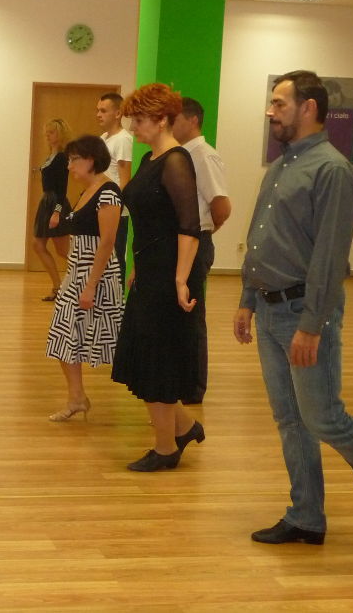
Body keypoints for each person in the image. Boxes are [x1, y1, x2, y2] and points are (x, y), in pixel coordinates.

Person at [234, 70, 353, 545]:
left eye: (279, 103)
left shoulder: (332, 170)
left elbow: (330, 258)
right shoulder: (281, 166)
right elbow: (260, 238)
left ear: (309, 108)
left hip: (305, 314)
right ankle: (306, 515)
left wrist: (311, 325)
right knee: (290, 419)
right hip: (269, 308)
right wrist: (247, 299)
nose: (270, 111)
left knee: (324, 418)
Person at [110, 83, 205, 472]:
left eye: (139, 120)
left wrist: (180, 279)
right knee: (146, 357)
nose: (133, 128)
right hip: (149, 270)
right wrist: (137, 265)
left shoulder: (177, 161)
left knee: (158, 361)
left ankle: (166, 449)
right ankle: (185, 427)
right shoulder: (151, 159)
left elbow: (189, 227)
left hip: (168, 274)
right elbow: (151, 222)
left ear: (162, 119)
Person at [46, 135, 123, 421]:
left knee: (118, 344)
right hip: (76, 274)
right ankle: (77, 397)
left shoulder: (108, 192)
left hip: (97, 278)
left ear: (91, 160)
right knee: (62, 336)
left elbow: (107, 242)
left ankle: (162, 403)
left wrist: (90, 285)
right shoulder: (87, 191)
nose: (69, 166)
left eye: (74, 160)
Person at [172, 97, 231, 404]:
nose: (170, 124)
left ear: (192, 120)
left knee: (192, 314)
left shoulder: (203, 156)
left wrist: (202, 232)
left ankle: (194, 388)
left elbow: (221, 206)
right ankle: (178, 380)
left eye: (175, 118)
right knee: (179, 315)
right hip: (181, 242)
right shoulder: (182, 154)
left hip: (195, 243)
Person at [32, 118, 72, 301]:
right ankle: (57, 287)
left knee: (63, 251)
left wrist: (57, 212)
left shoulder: (62, 157)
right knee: (38, 245)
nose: (47, 136)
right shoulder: (51, 155)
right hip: (46, 202)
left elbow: (62, 189)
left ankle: (88, 279)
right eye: (46, 133)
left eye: (52, 132)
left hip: (56, 204)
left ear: (60, 134)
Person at [96, 93, 133, 283]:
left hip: (116, 211)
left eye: (103, 111)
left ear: (118, 113)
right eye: (98, 110)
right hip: (102, 207)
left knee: (115, 259)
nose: (98, 115)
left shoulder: (123, 140)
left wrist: (115, 209)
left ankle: (117, 298)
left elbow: (124, 180)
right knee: (101, 257)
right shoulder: (103, 138)